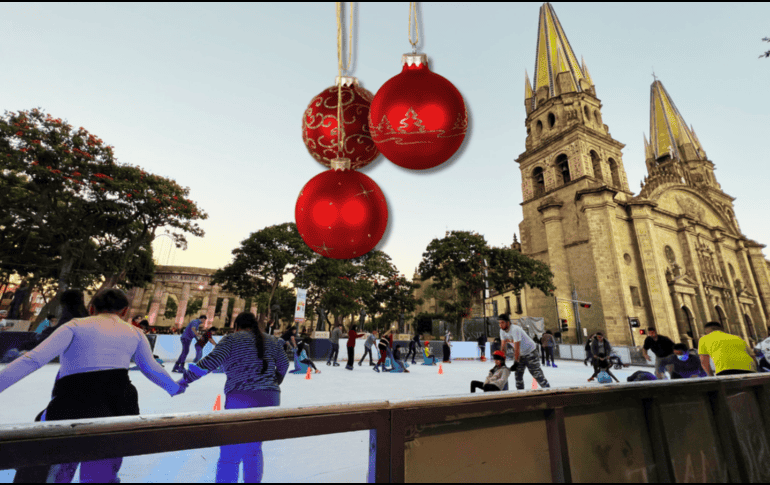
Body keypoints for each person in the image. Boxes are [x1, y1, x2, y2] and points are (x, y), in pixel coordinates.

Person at [1, 288, 182, 483]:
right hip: (118, 407)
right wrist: (174, 387)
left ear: (92, 308)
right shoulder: (136, 333)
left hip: (72, 404)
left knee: (52, 468)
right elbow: (151, 368)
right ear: (124, 311)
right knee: (101, 474)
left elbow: (33, 359)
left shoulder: (75, 326)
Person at [178, 312, 289, 483]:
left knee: (231, 452)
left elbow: (210, 362)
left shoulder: (231, 339)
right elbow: (284, 364)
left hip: (241, 397)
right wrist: (273, 382)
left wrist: (185, 380)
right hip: (269, 398)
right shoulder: (272, 340)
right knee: (253, 449)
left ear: (236, 326)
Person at [498, 313, 550, 390]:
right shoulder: (502, 331)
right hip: (521, 354)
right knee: (518, 376)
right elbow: (503, 347)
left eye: (502, 322)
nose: (500, 325)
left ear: (508, 323)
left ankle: (548, 389)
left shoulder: (515, 329)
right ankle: (520, 393)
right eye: (499, 323)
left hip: (530, 352)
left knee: (537, 374)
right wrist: (501, 361)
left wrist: (516, 362)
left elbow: (517, 347)